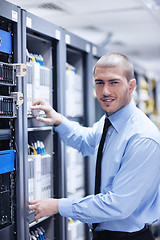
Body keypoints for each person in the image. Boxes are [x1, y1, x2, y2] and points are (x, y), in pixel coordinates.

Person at [29, 53, 160, 240]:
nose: (105, 91)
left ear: (131, 86)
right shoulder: (107, 123)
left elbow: (118, 205)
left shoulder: (142, 137)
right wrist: (58, 120)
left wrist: (58, 206)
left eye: (113, 82)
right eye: (99, 83)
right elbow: (85, 141)